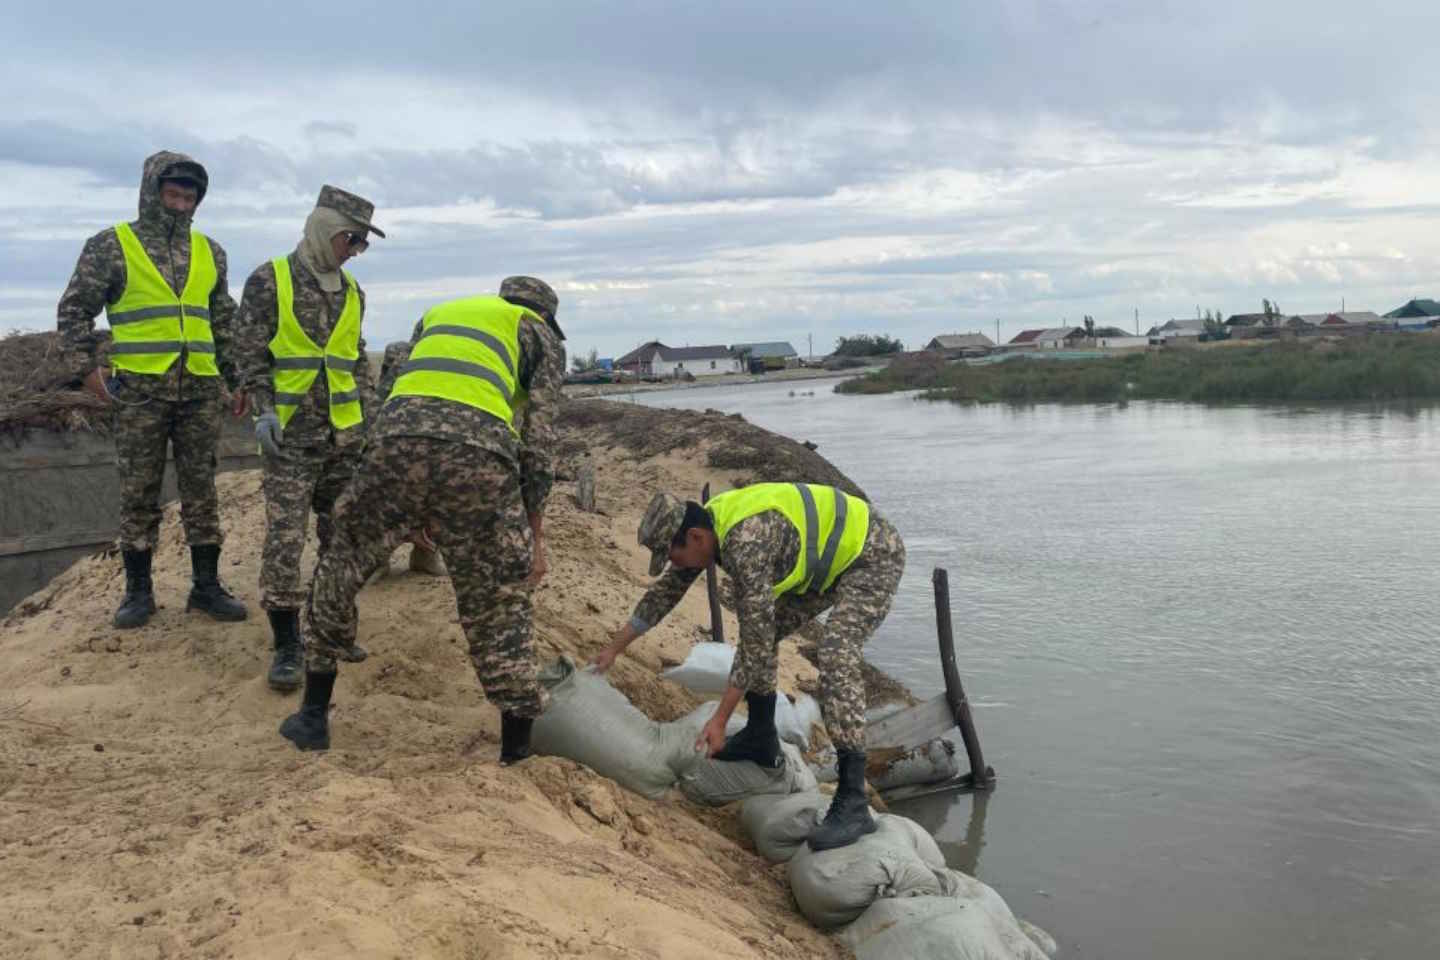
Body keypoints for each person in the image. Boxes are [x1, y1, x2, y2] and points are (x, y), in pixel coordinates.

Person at [278, 277, 567, 762]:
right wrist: (534, 532)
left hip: (394, 441)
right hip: (477, 455)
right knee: (498, 599)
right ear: (545, 314)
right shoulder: (539, 333)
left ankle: (312, 715)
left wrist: (397, 492)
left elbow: (389, 391)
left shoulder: (439, 315)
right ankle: (516, 748)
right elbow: (539, 441)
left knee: (341, 563)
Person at [594, 483, 905, 850]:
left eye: (673, 556)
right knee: (763, 632)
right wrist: (613, 650)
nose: (674, 565)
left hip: (871, 555)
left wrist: (720, 720)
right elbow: (664, 595)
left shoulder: (746, 544)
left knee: (836, 653)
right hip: (826, 559)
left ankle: (852, 797)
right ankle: (761, 735)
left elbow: (755, 641)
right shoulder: (708, 531)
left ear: (694, 537)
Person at [56, 150, 248, 629]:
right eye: (174, 194)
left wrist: (238, 378)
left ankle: (206, 587)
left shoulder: (211, 251)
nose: (182, 204)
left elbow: (222, 321)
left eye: (190, 196)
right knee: (139, 492)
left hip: (201, 390)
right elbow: (75, 310)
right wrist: (87, 371)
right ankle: (138, 592)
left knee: (202, 490)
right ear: (152, 193)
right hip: (140, 392)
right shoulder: (111, 245)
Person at [233, 185, 384, 692]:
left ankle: (331, 627)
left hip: (343, 439)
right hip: (291, 438)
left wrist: (369, 421)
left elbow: (355, 359)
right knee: (285, 539)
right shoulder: (269, 280)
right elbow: (249, 351)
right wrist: (263, 410)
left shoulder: (353, 292)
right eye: (351, 239)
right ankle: (287, 644)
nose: (355, 250)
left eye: (362, 244)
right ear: (324, 229)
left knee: (343, 536)